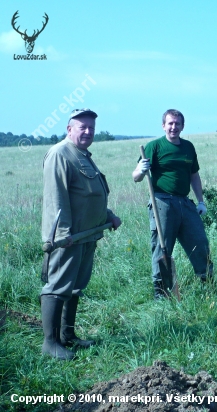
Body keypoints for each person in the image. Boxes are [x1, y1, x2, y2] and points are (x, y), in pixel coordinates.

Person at [41, 108, 122, 360]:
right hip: (69, 237)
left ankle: (68, 336)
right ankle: (50, 344)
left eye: (91, 128)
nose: (88, 132)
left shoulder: (83, 155)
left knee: (75, 287)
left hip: (87, 234)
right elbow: (56, 198)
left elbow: (88, 193)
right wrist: (61, 235)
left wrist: (107, 214)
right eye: (82, 127)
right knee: (58, 286)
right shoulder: (60, 154)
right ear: (69, 129)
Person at [132, 109, 213, 299]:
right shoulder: (154, 147)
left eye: (177, 123)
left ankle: (207, 285)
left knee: (200, 242)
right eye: (170, 123)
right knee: (162, 247)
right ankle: (161, 293)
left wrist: (200, 201)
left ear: (182, 126)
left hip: (185, 203)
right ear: (163, 126)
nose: (174, 127)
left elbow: (194, 175)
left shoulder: (188, 147)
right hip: (162, 202)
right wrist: (141, 170)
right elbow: (135, 177)